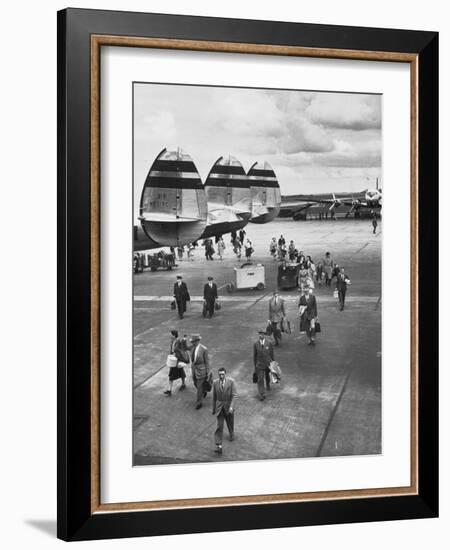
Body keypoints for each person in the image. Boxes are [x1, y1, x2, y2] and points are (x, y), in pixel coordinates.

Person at [212, 367, 237, 455]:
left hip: (228, 407)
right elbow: (214, 397)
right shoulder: (215, 383)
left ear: (225, 374)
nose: (221, 376)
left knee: (230, 422)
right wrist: (214, 408)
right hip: (219, 408)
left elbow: (234, 395)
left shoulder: (231, 382)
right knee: (219, 426)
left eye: (222, 374)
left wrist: (231, 407)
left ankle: (231, 433)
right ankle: (219, 446)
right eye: (219, 374)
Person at [164, 330, 188, 395]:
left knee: (173, 374)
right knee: (180, 372)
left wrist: (177, 358)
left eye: (171, 335)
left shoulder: (178, 341)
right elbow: (171, 350)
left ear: (174, 335)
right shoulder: (173, 341)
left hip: (177, 360)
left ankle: (170, 389)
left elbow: (180, 351)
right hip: (174, 360)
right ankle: (181, 385)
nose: (170, 336)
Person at [190, 334, 210, 409]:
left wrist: (207, 372)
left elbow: (207, 362)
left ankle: (199, 403)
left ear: (198, 341)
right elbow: (184, 348)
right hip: (194, 369)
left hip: (201, 370)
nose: (192, 343)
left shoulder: (204, 349)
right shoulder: (192, 347)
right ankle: (203, 391)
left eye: (193, 341)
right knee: (195, 383)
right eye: (192, 341)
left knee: (199, 387)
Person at [253, 329, 274, 401]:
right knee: (260, 379)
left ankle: (268, 384)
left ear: (264, 335)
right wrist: (255, 366)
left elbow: (272, 354)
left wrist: (273, 364)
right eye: (259, 334)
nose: (260, 335)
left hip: (268, 364)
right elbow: (254, 356)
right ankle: (262, 394)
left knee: (267, 376)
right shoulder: (256, 344)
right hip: (259, 365)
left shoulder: (269, 343)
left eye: (262, 334)